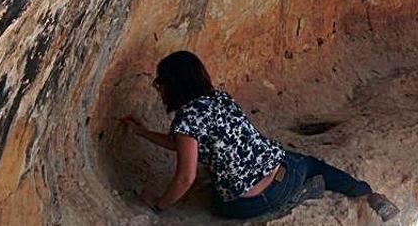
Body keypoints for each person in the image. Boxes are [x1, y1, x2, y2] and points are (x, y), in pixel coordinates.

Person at [119, 50, 399, 221]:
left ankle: (295, 198)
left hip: (249, 203)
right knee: (311, 164)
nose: (159, 89)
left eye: (160, 83)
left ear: (172, 85)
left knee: (215, 197)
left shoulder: (187, 119)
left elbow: (185, 177)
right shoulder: (219, 99)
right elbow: (180, 146)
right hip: (286, 174)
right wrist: (141, 132)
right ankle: (368, 194)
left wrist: (158, 205)